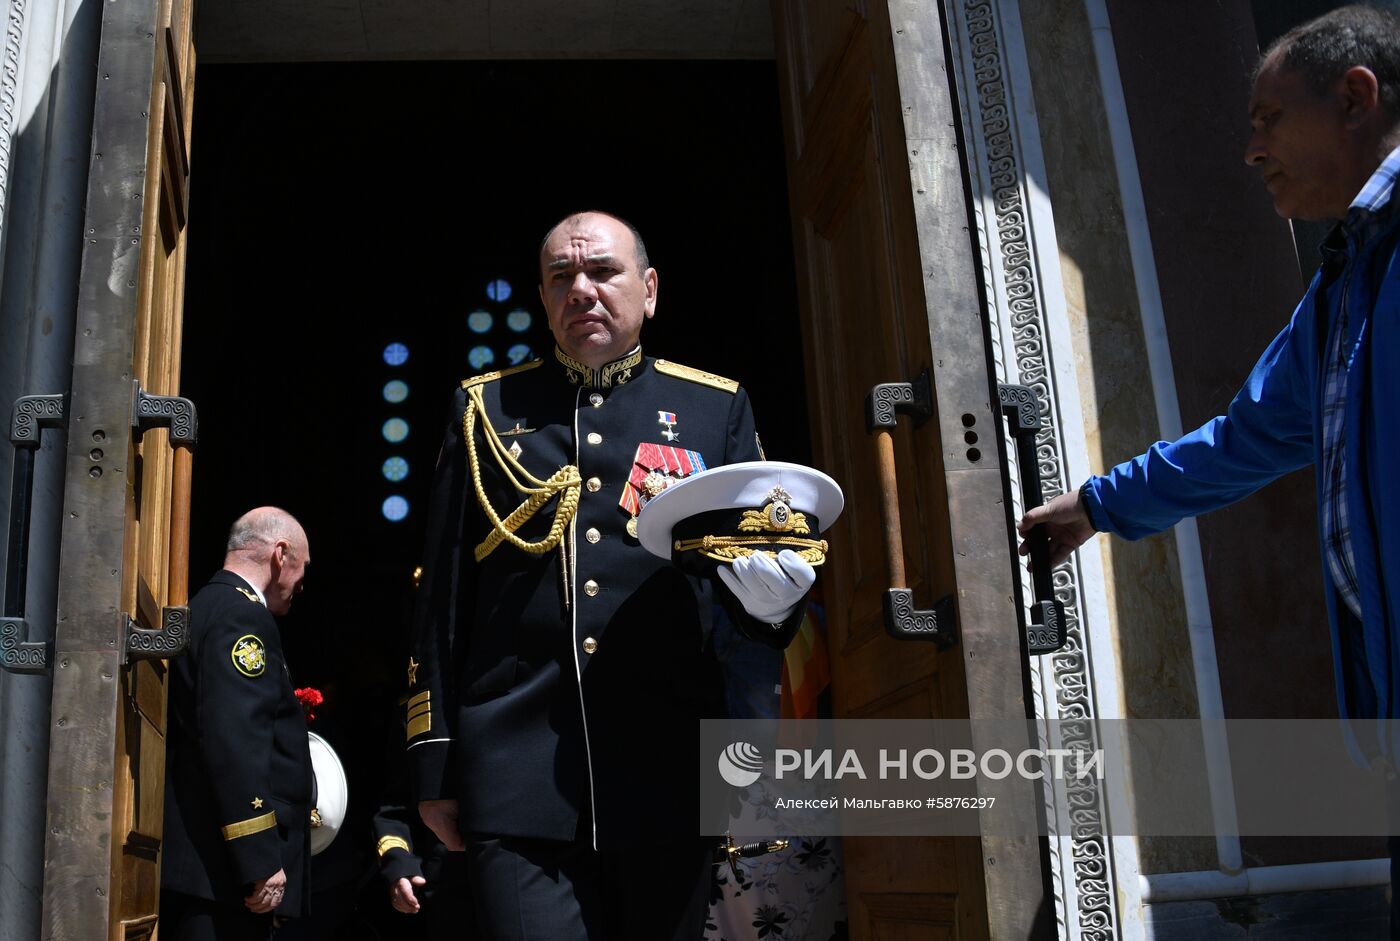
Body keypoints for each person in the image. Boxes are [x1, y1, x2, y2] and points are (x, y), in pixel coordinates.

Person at [1019, 1, 1400, 927]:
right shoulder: (1349, 278)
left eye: (1269, 119)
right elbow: (1252, 434)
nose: (1251, 149)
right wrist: (1094, 507)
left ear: (1355, 98)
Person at [406, 210, 813, 941]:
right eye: (562, 277)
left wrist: (773, 612)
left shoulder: (713, 407)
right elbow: (442, 599)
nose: (582, 290)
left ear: (649, 290)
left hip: (668, 764)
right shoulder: (486, 409)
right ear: (542, 298)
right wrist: (433, 759)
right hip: (515, 766)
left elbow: (754, 584)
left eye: (603, 272)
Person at [161, 507, 314, 940]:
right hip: (222, 877)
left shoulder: (211, 605)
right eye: (303, 568)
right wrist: (260, 860)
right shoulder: (239, 615)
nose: (302, 584)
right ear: (280, 554)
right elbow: (236, 742)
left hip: (212, 871)